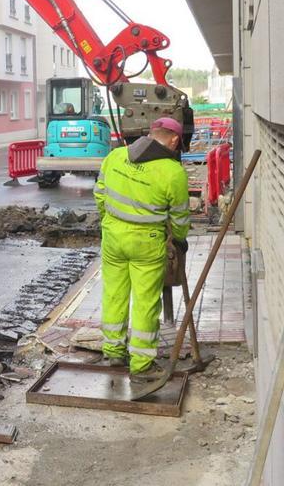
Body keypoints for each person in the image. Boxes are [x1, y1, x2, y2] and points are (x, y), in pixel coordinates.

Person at [93, 117, 190, 381]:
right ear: (173, 140)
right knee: (146, 302)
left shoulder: (115, 156)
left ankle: (113, 351)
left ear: (151, 133)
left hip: (113, 237)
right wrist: (179, 240)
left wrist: (110, 221)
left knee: (113, 294)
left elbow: (100, 193)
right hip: (146, 244)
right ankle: (141, 365)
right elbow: (180, 218)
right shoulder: (173, 172)